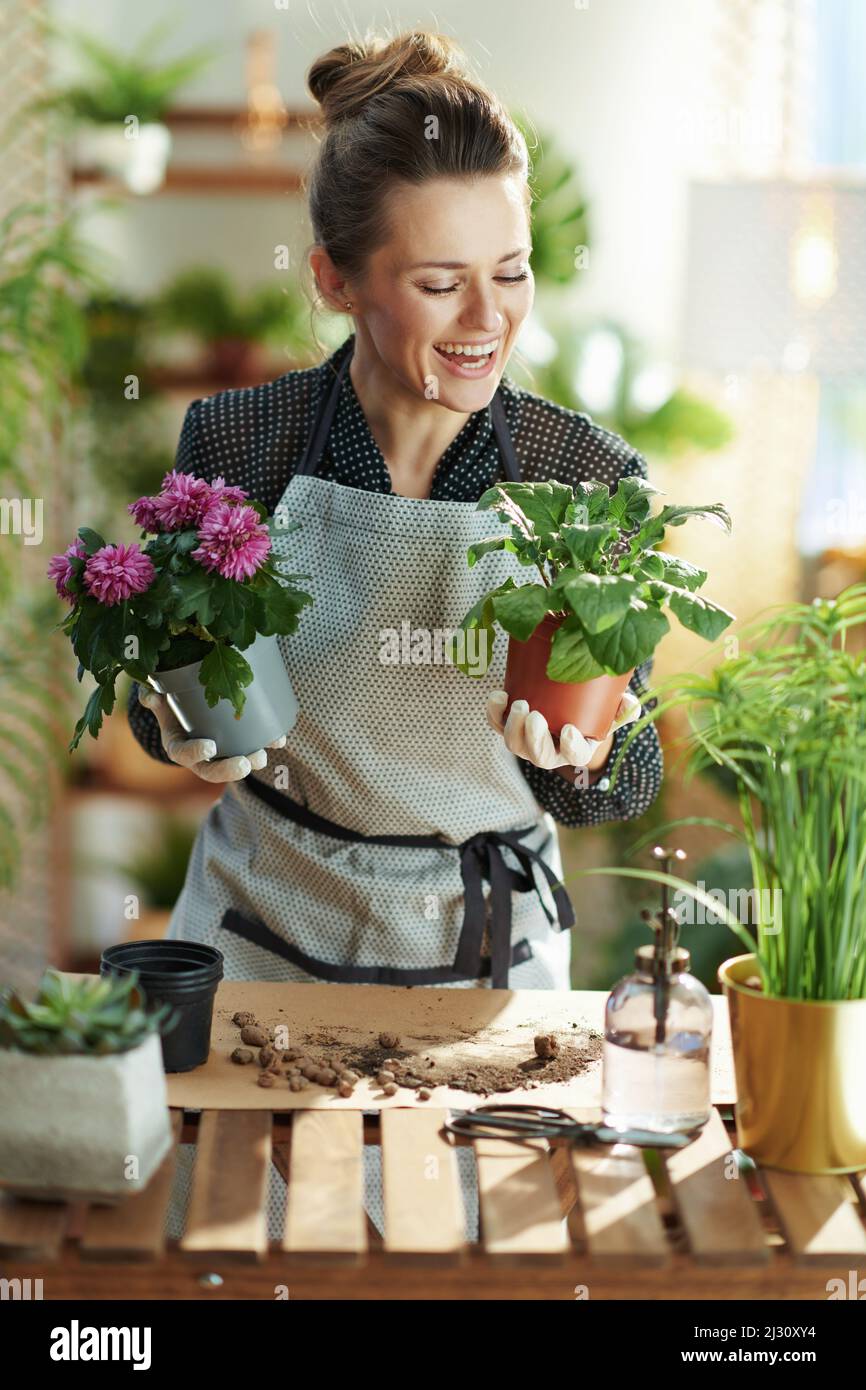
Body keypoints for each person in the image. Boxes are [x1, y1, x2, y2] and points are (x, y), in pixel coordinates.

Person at [128, 29, 663, 1241]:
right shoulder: (244, 445)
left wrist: (572, 764)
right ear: (333, 278)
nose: (489, 319)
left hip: (480, 986)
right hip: (266, 939)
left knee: (453, 1263)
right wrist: (183, 740)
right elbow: (179, 705)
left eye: (512, 270)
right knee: (225, 1256)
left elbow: (631, 769)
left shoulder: (584, 474)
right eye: (439, 282)